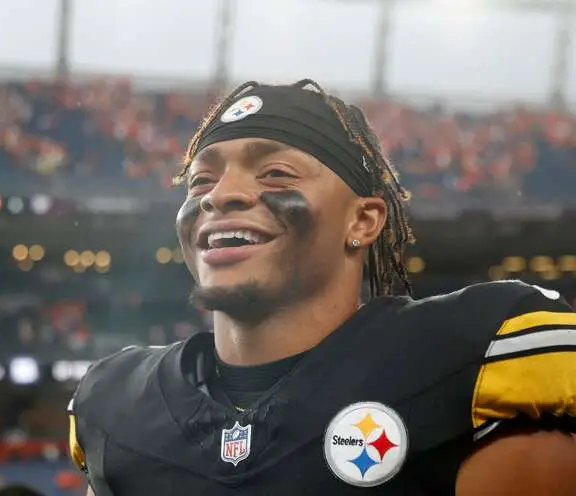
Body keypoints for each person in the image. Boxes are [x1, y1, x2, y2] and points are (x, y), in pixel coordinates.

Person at [67, 79, 576, 495]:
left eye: (276, 173)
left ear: (364, 219)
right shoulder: (117, 404)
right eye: (201, 182)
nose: (221, 196)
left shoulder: (476, 356)